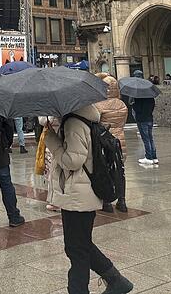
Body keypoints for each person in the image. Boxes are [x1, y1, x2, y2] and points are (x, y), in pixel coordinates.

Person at [44, 106, 134, 294]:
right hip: (79, 194)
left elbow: (72, 161)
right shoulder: (82, 118)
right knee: (79, 245)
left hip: (78, 196)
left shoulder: (74, 123)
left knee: (77, 250)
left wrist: (51, 141)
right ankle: (116, 281)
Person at [94, 75, 128, 212]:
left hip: (105, 140)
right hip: (120, 139)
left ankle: (107, 202)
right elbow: (123, 122)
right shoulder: (122, 104)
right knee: (120, 169)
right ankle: (122, 201)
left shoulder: (99, 105)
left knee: (106, 170)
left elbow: (96, 123)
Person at [129, 70, 157, 166]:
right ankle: (154, 157)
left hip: (142, 119)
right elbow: (152, 104)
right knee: (150, 137)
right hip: (149, 117)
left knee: (145, 138)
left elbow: (137, 108)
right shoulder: (148, 89)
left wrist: (134, 105)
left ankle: (148, 157)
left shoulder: (137, 91)